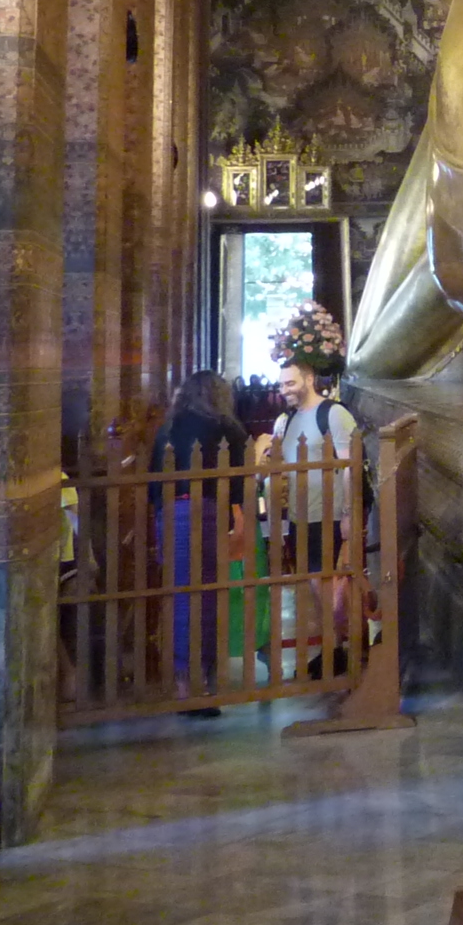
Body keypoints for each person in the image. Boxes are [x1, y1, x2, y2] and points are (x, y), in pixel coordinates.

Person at [260, 303, 361, 679]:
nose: (283, 390)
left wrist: (351, 514)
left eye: (290, 383)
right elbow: (277, 468)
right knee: (313, 585)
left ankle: (344, 645)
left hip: (331, 513)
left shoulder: (333, 414)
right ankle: (335, 645)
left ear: (307, 379)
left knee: (332, 584)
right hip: (300, 515)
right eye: (281, 384)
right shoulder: (283, 420)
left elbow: (351, 467)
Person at [151, 371, 250, 712]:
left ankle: (184, 684)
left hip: (171, 514)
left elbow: (154, 482)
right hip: (207, 514)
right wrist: (237, 519)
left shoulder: (169, 428)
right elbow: (238, 483)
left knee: (181, 599)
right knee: (208, 598)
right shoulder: (227, 428)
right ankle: (204, 683)